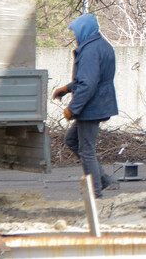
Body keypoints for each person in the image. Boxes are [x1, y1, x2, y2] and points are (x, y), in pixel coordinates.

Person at [51, 13, 119, 199]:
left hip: (92, 106)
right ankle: (103, 179)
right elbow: (90, 80)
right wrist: (67, 89)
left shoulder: (89, 50)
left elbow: (88, 84)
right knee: (72, 140)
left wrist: (73, 108)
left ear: (84, 30)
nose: (74, 36)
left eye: (76, 32)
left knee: (86, 149)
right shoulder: (100, 45)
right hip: (98, 102)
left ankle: (95, 193)